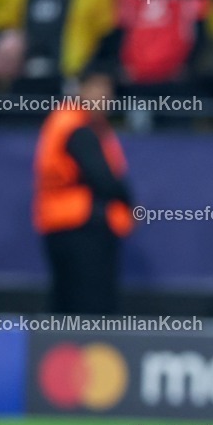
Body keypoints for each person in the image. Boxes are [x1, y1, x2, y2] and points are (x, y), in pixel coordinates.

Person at [32, 70, 134, 314]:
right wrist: (128, 201)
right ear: (81, 89)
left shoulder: (62, 120)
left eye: (108, 91)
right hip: (82, 225)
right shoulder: (76, 126)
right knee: (91, 307)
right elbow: (103, 178)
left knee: (65, 303)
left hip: (57, 223)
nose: (105, 97)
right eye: (98, 88)